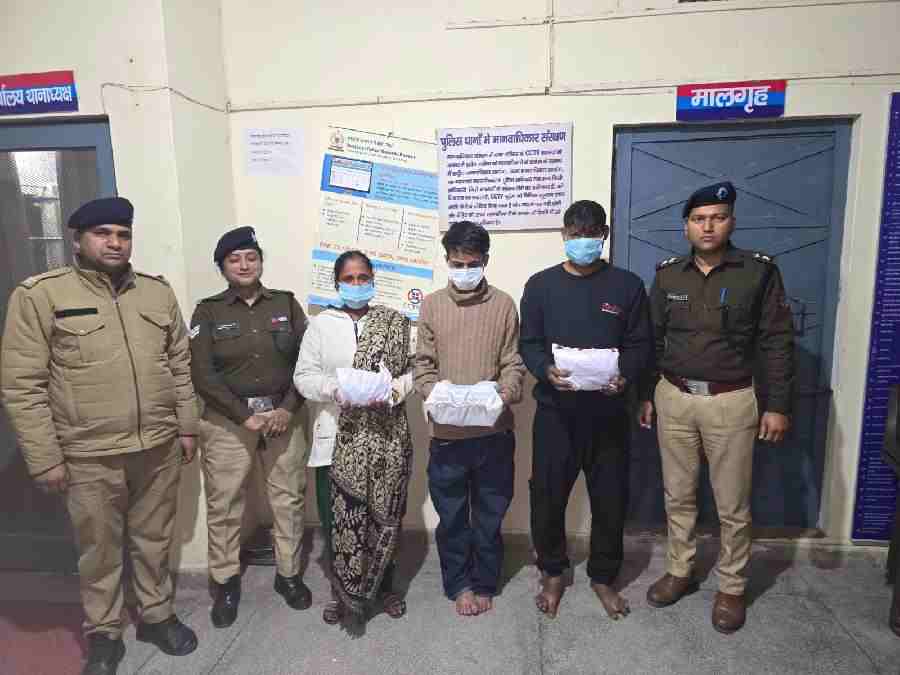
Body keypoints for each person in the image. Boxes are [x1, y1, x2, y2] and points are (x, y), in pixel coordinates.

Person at [0, 197, 199, 675]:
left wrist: (188, 426)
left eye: (123, 234)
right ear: (78, 240)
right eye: (103, 233)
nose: (115, 243)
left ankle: (156, 615)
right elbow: (22, 385)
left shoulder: (156, 293)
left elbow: (179, 365)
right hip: (88, 453)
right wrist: (46, 457)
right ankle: (104, 631)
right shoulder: (40, 295)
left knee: (154, 539)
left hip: (157, 445)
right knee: (99, 550)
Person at [638, 181, 794, 634]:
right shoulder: (668, 275)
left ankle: (731, 586)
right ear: (686, 227)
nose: (708, 227)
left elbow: (777, 341)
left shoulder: (758, 272)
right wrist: (647, 394)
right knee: (678, 495)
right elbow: (653, 338)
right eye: (699, 219)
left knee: (732, 504)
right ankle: (680, 570)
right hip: (674, 398)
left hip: (731, 400)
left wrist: (778, 405)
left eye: (717, 218)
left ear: (731, 222)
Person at [519, 200, 653, 620]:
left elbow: (640, 344)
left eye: (591, 234)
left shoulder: (627, 286)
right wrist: (545, 370)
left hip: (609, 414)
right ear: (563, 236)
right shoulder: (540, 286)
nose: (583, 242)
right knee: (547, 497)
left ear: (604, 235)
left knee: (610, 499)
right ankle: (552, 572)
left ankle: (603, 576)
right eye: (575, 235)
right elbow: (529, 343)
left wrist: (626, 376)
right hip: (556, 413)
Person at [189, 226, 310, 628]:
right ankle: (225, 583)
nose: (244, 265)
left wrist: (287, 408)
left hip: (283, 417)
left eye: (251, 257)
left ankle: (288, 575)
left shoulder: (286, 303)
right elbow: (202, 374)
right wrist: (244, 415)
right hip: (227, 421)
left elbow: (307, 362)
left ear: (260, 261)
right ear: (222, 267)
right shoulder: (208, 311)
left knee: (288, 499)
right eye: (234, 259)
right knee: (224, 504)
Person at [294, 250, 414, 625]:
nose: (357, 284)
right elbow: (303, 377)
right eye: (349, 278)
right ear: (337, 283)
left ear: (373, 280)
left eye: (363, 277)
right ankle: (342, 593)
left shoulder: (394, 322)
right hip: (336, 440)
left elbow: (413, 370)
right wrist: (335, 390)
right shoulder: (321, 325)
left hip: (385, 439)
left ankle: (385, 588)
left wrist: (394, 392)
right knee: (339, 523)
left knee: (385, 516)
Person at [415, 221, 525, 617]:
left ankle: (484, 583)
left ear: (485, 261)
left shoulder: (503, 304)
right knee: (452, 517)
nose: (464, 271)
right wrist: (436, 393)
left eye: (472, 264)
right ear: (447, 261)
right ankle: (459, 584)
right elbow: (423, 365)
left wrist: (505, 392)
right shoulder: (431, 305)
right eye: (457, 264)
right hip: (447, 435)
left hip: (494, 432)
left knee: (490, 515)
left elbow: (513, 362)